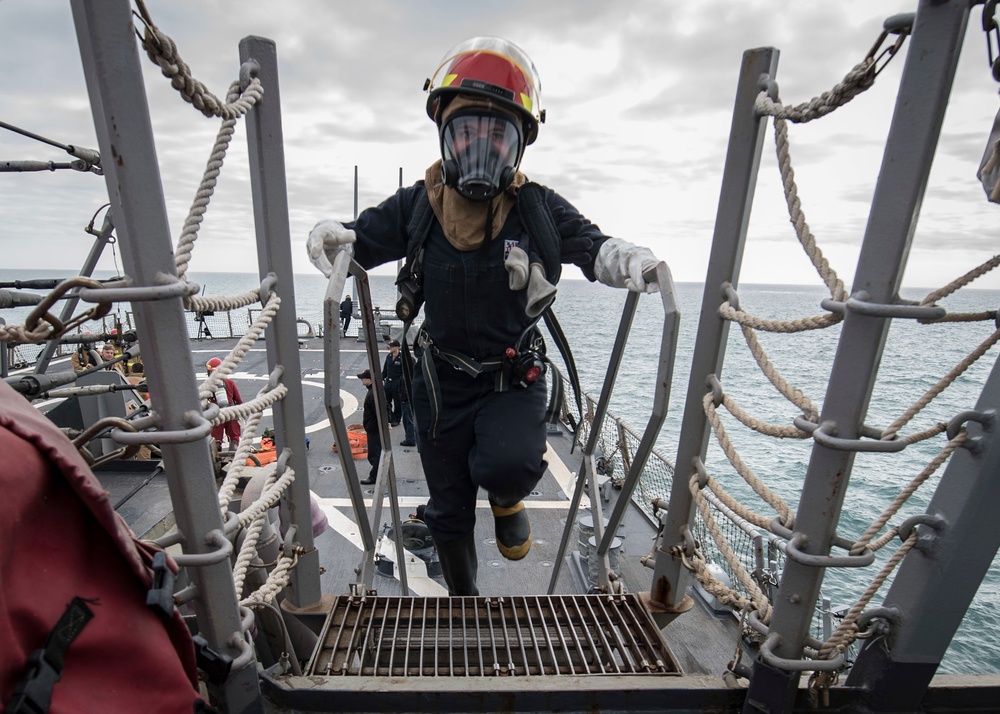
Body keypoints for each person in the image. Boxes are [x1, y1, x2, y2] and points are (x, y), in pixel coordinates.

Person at [307, 37, 661, 596]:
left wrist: (628, 260)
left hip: (510, 373)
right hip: (439, 379)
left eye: (498, 132)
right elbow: (364, 237)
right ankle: (465, 602)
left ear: (518, 144)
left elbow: (590, 246)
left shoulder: (536, 208)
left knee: (510, 461)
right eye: (468, 129)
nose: (481, 145)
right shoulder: (420, 205)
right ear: (446, 133)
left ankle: (506, 496)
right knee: (447, 512)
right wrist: (337, 238)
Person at [205, 356, 243, 450]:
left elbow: (204, 403)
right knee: (234, 438)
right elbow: (239, 401)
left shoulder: (207, 386)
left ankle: (217, 460)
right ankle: (233, 457)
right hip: (230, 413)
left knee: (216, 440)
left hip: (216, 416)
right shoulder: (230, 383)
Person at [357, 369, 379, 486]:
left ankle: (374, 476)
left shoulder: (372, 394)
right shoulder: (374, 392)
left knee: (375, 454)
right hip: (374, 427)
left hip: (374, 428)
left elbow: (379, 411)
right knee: (375, 453)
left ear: (369, 380)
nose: (362, 380)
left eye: (363, 378)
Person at [382, 339, 403, 426]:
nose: (390, 348)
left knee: (398, 402)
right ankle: (389, 417)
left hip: (397, 382)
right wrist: (381, 378)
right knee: (387, 401)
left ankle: (396, 419)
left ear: (397, 347)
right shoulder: (389, 356)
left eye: (392, 346)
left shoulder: (402, 358)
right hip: (388, 381)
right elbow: (385, 370)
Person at [399, 367, 416, 448]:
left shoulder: (407, 376)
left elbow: (405, 390)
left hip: (406, 401)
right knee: (409, 420)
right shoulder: (412, 375)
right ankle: (411, 437)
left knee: (408, 420)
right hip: (408, 401)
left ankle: (410, 439)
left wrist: (403, 399)